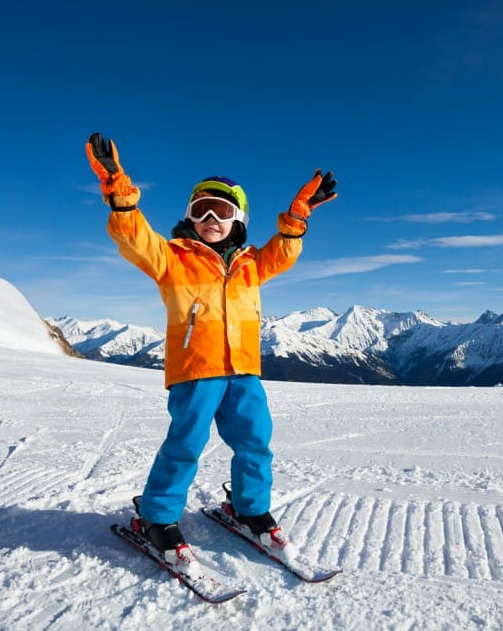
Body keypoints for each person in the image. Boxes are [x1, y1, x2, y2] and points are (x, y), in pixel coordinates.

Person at [85, 133, 336, 555]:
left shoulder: (251, 263)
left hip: (243, 369)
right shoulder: (172, 259)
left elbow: (284, 253)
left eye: (221, 210)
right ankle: (157, 517)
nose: (210, 218)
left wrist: (297, 218)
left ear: (238, 218)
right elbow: (135, 238)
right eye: (200, 210)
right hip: (196, 370)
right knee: (185, 444)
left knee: (255, 440)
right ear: (190, 216)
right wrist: (119, 193)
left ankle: (249, 508)